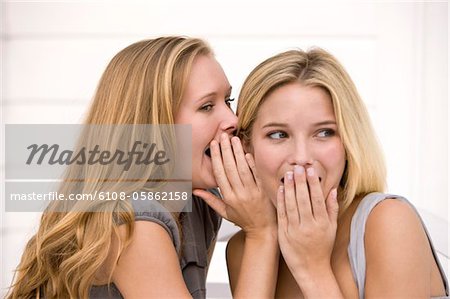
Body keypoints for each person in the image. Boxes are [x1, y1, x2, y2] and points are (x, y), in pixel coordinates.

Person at [7, 36, 276, 299]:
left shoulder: (195, 202)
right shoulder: (134, 226)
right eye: (206, 106)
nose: (232, 119)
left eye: (228, 101)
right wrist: (260, 234)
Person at [227, 48, 449, 298]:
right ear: (245, 146)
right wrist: (263, 237)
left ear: (348, 140)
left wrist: (312, 268)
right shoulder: (246, 248)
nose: (301, 157)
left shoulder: (388, 222)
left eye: (324, 132)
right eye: (278, 134)